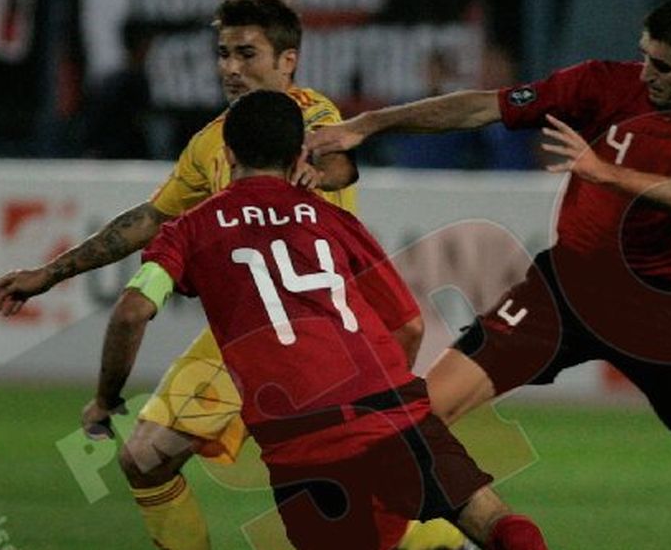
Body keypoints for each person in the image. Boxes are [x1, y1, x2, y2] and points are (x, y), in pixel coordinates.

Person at [0, 0, 466, 550]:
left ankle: (439, 541)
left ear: (287, 62)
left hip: (318, 335)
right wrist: (50, 273)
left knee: (340, 509)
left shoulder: (311, 115)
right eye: (223, 54)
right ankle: (444, 540)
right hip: (241, 336)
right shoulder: (212, 142)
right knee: (145, 458)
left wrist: (318, 169)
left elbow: (339, 161)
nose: (231, 68)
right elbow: (150, 218)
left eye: (247, 54)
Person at [308, 0, 671, 550]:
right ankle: (489, 538)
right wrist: (371, 123)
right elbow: (484, 107)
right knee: (413, 424)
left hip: (661, 309)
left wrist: (602, 171)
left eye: (662, 66)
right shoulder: (603, 83)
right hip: (564, 292)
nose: (646, 74)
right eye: (643, 56)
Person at [81, 90, 548, 550]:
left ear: (227, 153)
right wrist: (391, 407)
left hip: (302, 444)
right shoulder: (331, 218)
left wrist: (106, 399)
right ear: (297, 156)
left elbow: (131, 312)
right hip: (393, 418)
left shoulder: (189, 229)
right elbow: (408, 325)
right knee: (494, 521)